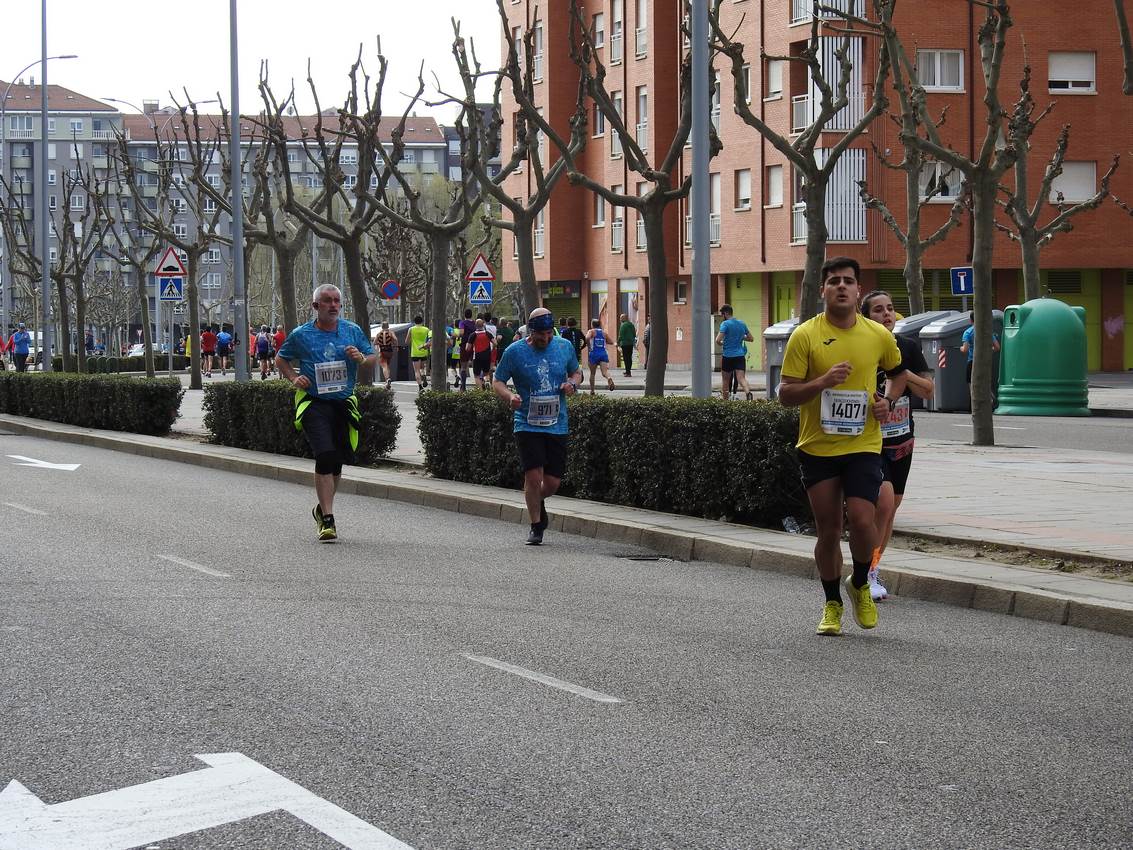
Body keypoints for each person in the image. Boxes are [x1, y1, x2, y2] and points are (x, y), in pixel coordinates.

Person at [777, 257, 906, 637]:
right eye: (834, 281)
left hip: (863, 443)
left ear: (858, 289)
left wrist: (887, 400)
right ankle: (832, 601)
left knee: (865, 520)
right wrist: (822, 382)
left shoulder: (877, 335)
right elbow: (785, 393)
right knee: (829, 529)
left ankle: (861, 582)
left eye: (849, 281)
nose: (842, 287)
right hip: (818, 446)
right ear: (823, 290)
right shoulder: (805, 335)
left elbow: (897, 375)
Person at [275, 284, 376, 542]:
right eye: (327, 301)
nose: (333, 305)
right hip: (314, 402)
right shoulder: (302, 334)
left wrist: (362, 359)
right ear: (315, 306)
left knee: (337, 460)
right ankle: (328, 519)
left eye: (336, 301)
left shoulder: (351, 331)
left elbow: (372, 356)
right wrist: (293, 377)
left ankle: (322, 508)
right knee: (325, 454)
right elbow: (281, 358)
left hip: (343, 402)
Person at [861, 290, 935, 601]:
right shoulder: (861, 348)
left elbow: (929, 391)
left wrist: (901, 372)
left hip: (901, 439)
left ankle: (872, 568)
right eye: (878, 310)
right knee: (885, 502)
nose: (886, 314)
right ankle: (866, 573)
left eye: (890, 308)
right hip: (870, 440)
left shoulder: (907, 347)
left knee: (890, 512)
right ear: (866, 316)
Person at [492, 307, 582, 545]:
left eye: (549, 334)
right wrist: (509, 397)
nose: (546, 339)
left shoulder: (564, 346)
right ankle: (536, 526)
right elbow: (498, 380)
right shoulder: (515, 352)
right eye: (541, 335)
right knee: (533, 476)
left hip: (557, 423)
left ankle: (536, 499)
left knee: (551, 483)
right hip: (527, 423)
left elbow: (576, 372)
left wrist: (572, 384)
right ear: (531, 332)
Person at [716, 304, 755, 401]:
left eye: (722, 314)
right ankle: (748, 393)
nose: (722, 316)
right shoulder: (741, 323)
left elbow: (718, 340)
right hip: (740, 356)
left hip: (728, 356)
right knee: (741, 378)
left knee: (725, 381)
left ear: (726, 313)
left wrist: (722, 343)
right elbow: (751, 338)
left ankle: (725, 402)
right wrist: (741, 337)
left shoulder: (725, 324)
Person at [960, 311, 1000, 385]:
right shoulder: (987, 331)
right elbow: (997, 347)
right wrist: (988, 351)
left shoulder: (968, 332)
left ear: (971, 320)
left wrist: (961, 348)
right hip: (985, 362)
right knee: (985, 386)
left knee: (972, 386)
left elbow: (965, 349)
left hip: (972, 362)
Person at [585, 318, 615, 393]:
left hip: (594, 353)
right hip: (603, 354)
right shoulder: (604, 333)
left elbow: (587, 338)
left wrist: (589, 346)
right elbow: (611, 342)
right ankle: (609, 378)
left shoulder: (591, 331)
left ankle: (592, 391)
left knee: (592, 373)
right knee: (604, 372)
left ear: (592, 325)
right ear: (600, 325)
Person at [466, 318, 495, 389]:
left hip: (477, 356)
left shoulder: (473, 335)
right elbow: (495, 343)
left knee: (476, 375)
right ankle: (487, 381)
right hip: (487, 356)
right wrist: (492, 348)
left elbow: (467, 348)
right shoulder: (488, 334)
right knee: (486, 373)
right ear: (483, 325)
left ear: (475, 325)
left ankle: (481, 391)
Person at [407, 315, 431, 392]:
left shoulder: (411, 329)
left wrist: (412, 340)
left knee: (416, 370)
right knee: (422, 368)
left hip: (415, 352)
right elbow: (429, 340)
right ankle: (423, 375)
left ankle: (420, 387)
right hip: (424, 351)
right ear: (422, 321)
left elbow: (406, 341)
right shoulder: (426, 329)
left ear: (414, 322)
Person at [373, 321, 397, 389]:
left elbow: (374, 342)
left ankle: (387, 379)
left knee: (384, 366)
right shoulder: (391, 332)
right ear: (388, 326)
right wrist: (395, 344)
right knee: (387, 366)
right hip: (389, 351)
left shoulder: (379, 333)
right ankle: (388, 381)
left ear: (382, 326)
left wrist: (380, 343)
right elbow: (395, 339)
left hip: (382, 351)